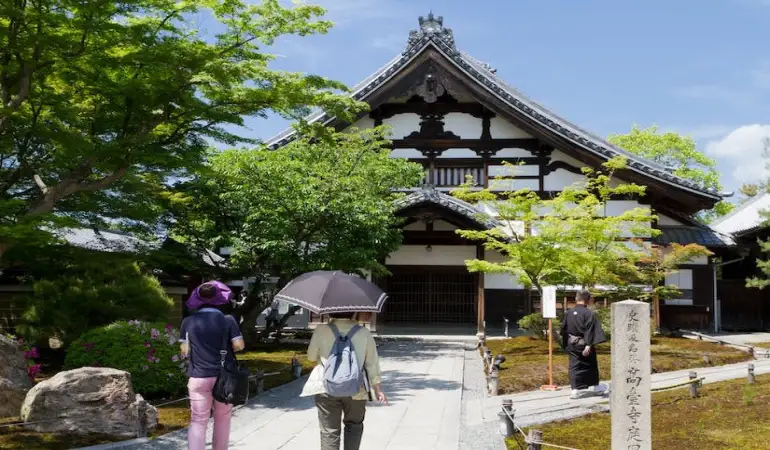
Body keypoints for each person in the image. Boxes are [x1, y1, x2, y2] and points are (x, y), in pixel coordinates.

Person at [305, 312, 386, 450]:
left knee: (329, 431)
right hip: (357, 388)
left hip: (325, 386)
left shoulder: (321, 330)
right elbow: (372, 363)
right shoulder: (364, 332)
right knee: (354, 426)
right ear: (354, 312)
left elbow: (311, 357)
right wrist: (378, 389)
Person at [179, 282, 245, 450]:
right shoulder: (228, 320)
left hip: (198, 376)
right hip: (225, 378)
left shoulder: (187, 321)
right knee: (223, 419)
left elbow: (184, 351)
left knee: (198, 421)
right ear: (218, 298)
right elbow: (239, 346)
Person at [560, 289, 607, 399]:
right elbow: (590, 330)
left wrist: (566, 345)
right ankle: (596, 386)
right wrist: (588, 345)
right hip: (585, 344)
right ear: (588, 300)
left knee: (574, 365)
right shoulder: (588, 313)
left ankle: (575, 390)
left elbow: (563, 329)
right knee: (591, 365)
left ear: (576, 299)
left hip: (572, 343)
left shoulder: (569, 313)